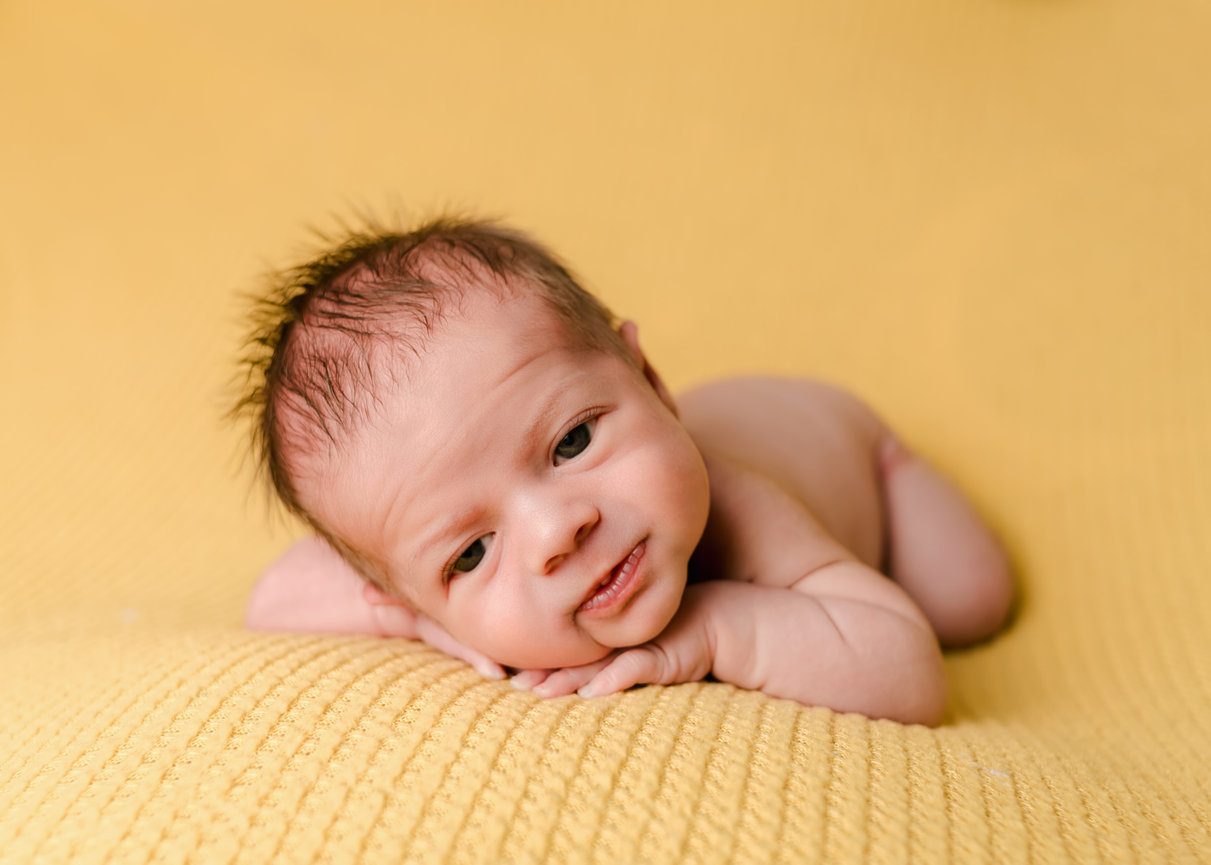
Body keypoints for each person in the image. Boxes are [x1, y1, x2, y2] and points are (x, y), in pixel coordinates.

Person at [239, 217, 1013, 726]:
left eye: (572, 441)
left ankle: (896, 461)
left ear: (648, 380)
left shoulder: (743, 506)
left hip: (847, 446)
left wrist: (713, 630)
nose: (556, 529)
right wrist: (424, 621)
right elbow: (273, 596)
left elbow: (907, 674)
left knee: (968, 597)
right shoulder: (411, 569)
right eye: (470, 553)